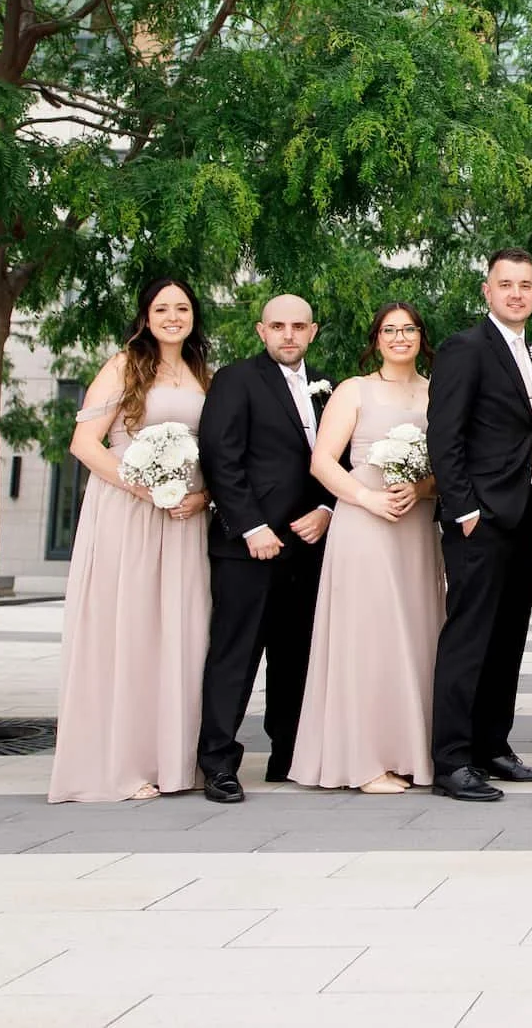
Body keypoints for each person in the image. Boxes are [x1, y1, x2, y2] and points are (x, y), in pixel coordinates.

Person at [51, 277, 216, 803]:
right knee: (130, 630)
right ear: (145, 317)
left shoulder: (202, 373)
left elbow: (216, 450)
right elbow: (84, 444)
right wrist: (145, 489)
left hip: (185, 519)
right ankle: (121, 763)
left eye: (182, 308)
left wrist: (202, 496)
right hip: (128, 512)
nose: (173, 317)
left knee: (181, 633)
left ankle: (171, 761)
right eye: (162, 308)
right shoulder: (124, 366)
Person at [290, 302, 443, 793]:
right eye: (389, 330)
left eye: (408, 329)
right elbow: (322, 462)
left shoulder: (436, 392)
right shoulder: (354, 390)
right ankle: (365, 760)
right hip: (363, 523)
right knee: (369, 639)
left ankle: (408, 753)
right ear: (376, 339)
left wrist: (420, 489)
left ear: (421, 337)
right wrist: (366, 498)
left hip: (414, 528)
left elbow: (449, 466)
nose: (400, 337)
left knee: (415, 637)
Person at [193, 292, 334, 802]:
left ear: (312, 331)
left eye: (298, 326)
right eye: (278, 326)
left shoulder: (327, 386)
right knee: (236, 656)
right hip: (248, 549)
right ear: (262, 331)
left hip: (308, 545)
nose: (288, 335)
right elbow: (220, 455)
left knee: (296, 657)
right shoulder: (236, 380)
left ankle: (288, 754)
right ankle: (218, 763)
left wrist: (327, 510)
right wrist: (251, 527)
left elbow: (336, 458)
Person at [427, 250, 532, 802]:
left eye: (525, 284)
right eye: (506, 284)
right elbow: (444, 434)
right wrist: (464, 510)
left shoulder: (530, 353)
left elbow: (531, 442)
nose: (516, 293)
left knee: (508, 638)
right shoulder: (465, 348)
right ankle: (452, 760)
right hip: (478, 519)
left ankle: (492, 746)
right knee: (469, 638)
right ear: (487, 290)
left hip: (522, 518)